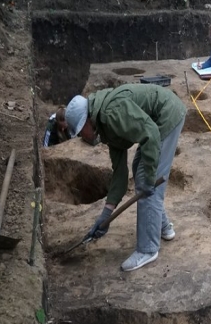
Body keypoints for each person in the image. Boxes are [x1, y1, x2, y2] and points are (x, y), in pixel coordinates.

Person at [65, 83, 186, 272]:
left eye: (81, 132)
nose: (83, 137)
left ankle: (148, 249)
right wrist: (106, 215)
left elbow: (151, 134)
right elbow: (120, 173)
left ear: (87, 121)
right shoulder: (106, 128)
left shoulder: (112, 113)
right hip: (157, 122)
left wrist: (149, 177)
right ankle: (163, 227)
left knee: (146, 177)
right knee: (140, 169)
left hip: (167, 115)